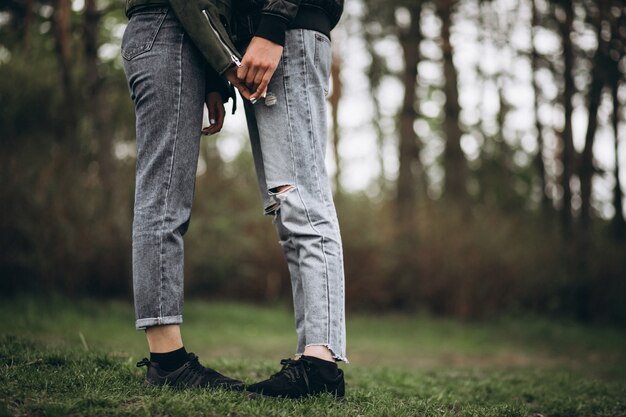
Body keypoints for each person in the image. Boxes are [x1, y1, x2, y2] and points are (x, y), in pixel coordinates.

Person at [121, 0, 251, 389]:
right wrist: (226, 62)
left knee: (166, 198)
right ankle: (167, 362)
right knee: (163, 200)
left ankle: (168, 359)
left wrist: (212, 81)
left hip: (176, 37)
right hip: (168, 31)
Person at [231, 0, 348, 399]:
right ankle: (311, 358)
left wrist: (273, 22)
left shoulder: (277, 28)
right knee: (287, 212)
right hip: (263, 39)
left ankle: (321, 365)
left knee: (304, 206)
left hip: (285, 33)